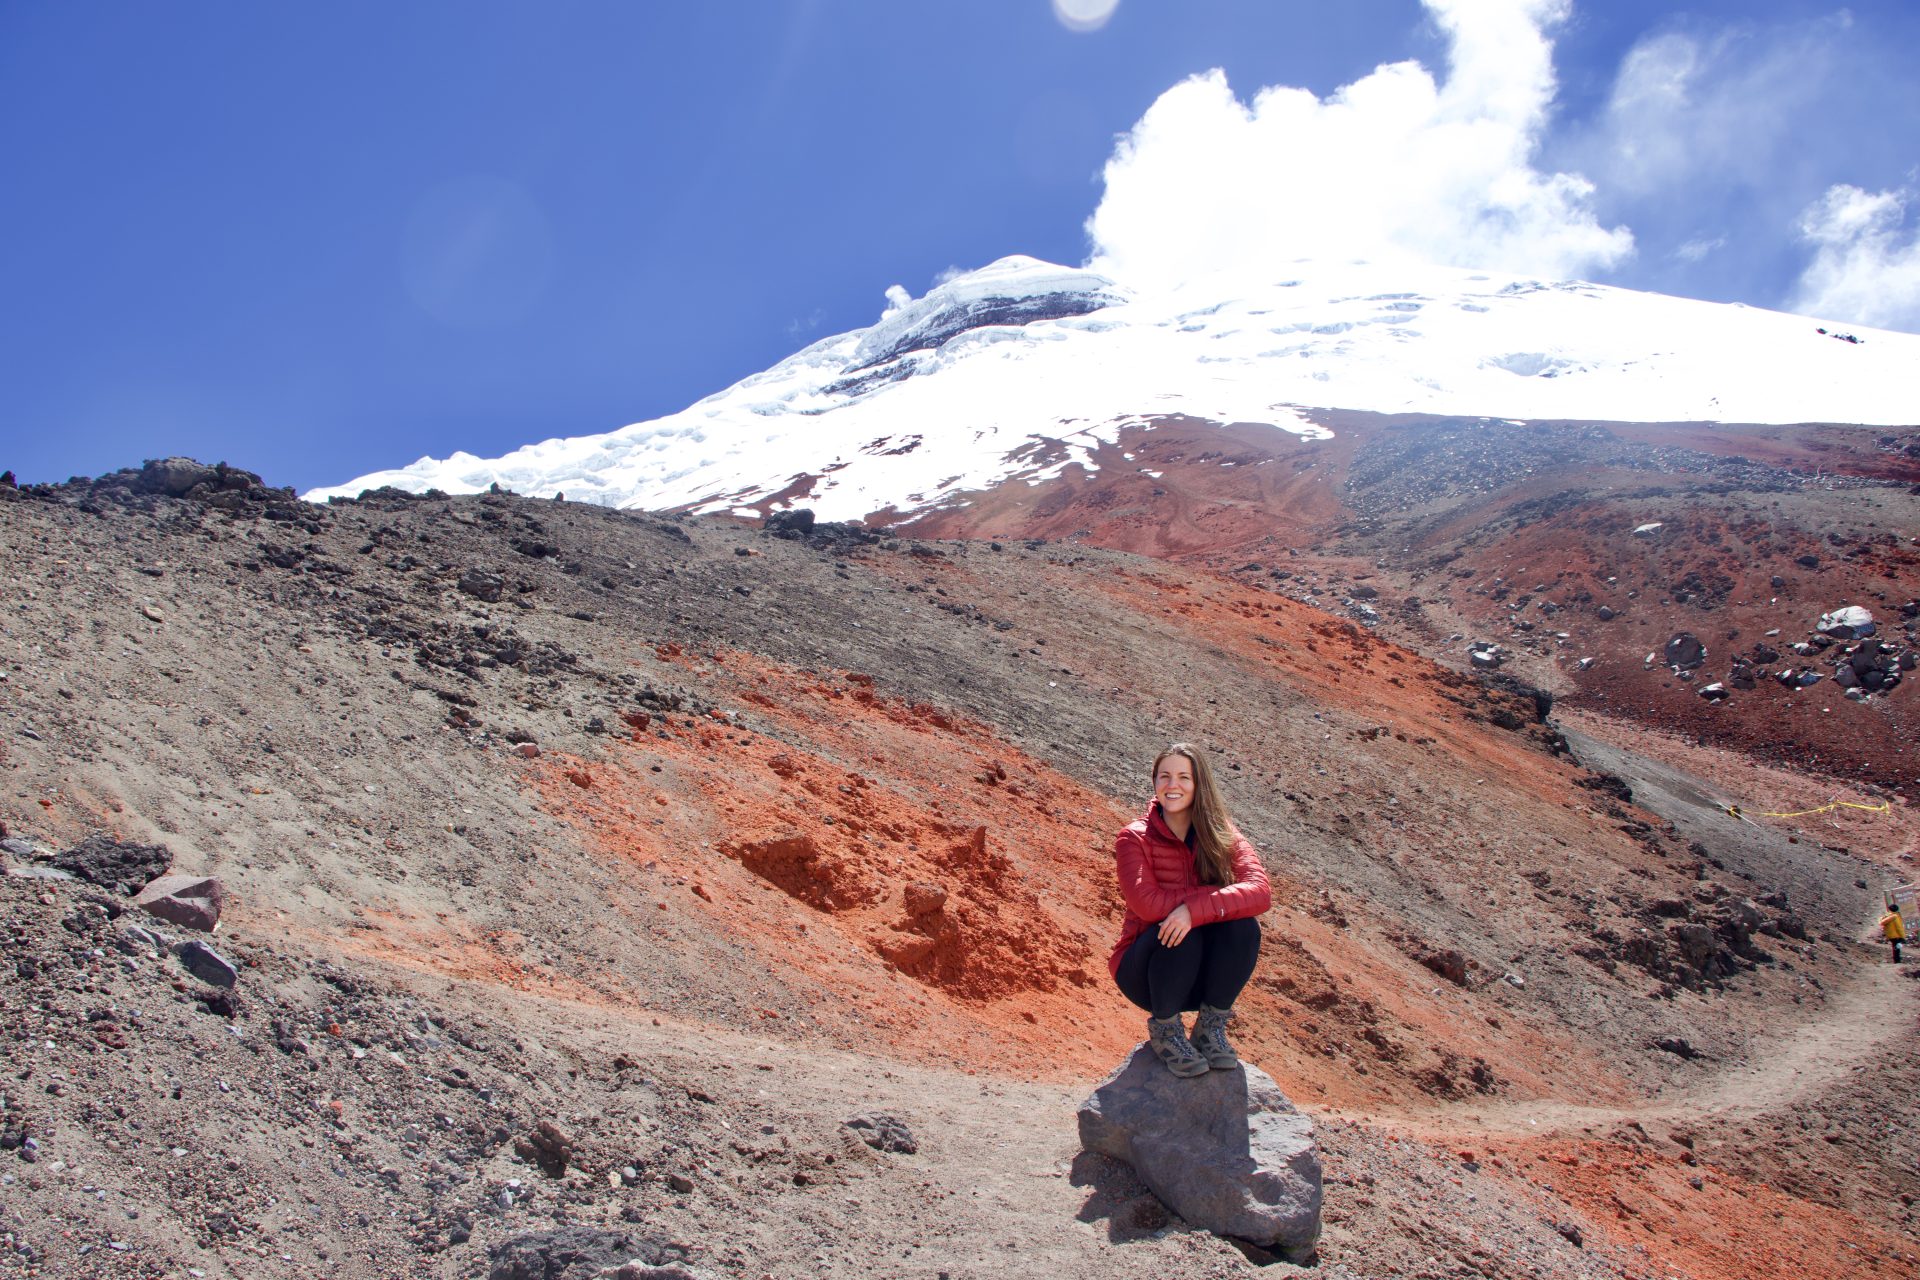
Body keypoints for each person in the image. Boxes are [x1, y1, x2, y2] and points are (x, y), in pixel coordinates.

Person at [1109, 742, 1271, 1076]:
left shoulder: (1221, 833)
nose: (1173, 785)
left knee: (1244, 928)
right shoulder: (1134, 838)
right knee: (1182, 932)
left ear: (1199, 784)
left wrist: (1194, 910)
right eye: (1164, 776)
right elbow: (1146, 904)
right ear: (1154, 782)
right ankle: (1167, 1032)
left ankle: (1210, 1028)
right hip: (1146, 972)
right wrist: (1204, 904)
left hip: (1201, 977)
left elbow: (1260, 892)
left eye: (1184, 777)